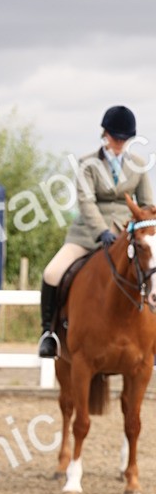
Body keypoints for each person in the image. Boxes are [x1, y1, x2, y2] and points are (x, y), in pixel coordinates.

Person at [37, 106, 154, 358]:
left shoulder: (139, 165)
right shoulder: (88, 163)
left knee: (149, 273)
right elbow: (86, 201)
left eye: (124, 139)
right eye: (115, 138)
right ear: (105, 135)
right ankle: (49, 334)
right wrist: (101, 231)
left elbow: (145, 203)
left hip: (126, 236)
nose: (120, 143)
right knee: (52, 273)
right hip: (88, 234)